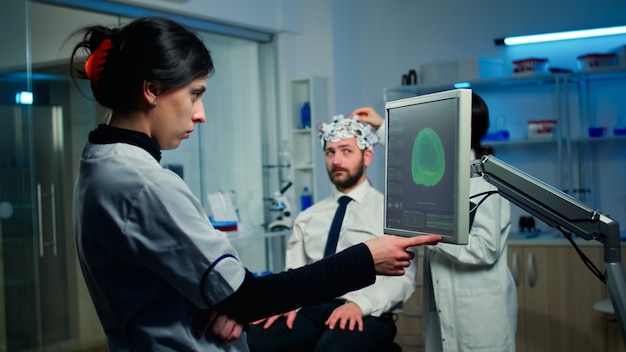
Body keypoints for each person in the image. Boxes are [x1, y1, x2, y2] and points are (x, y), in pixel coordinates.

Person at [69, 17, 442, 352]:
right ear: (151, 90)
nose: (200, 114)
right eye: (195, 93)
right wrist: (365, 258)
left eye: (346, 150)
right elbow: (247, 296)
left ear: (367, 155)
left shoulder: (101, 166)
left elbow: (206, 285)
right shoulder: (145, 184)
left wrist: (228, 301)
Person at [353, 93, 517, 352]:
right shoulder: (443, 170)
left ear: (462, 128)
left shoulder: (485, 182)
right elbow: (410, 152)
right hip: (443, 306)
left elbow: (486, 249)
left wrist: (427, 231)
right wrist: (381, 126)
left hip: (478, 310)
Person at [247, 115, 415, 352]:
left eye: (346, 151)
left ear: (367, 156)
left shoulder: (390, 213)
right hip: (310, 309)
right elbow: (294, 273)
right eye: (330, 152)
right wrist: (283, 303)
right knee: (253, 342)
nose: (336, 160)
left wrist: (360, 304)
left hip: (366, 312)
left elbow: (404, 280)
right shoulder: (308, 217)